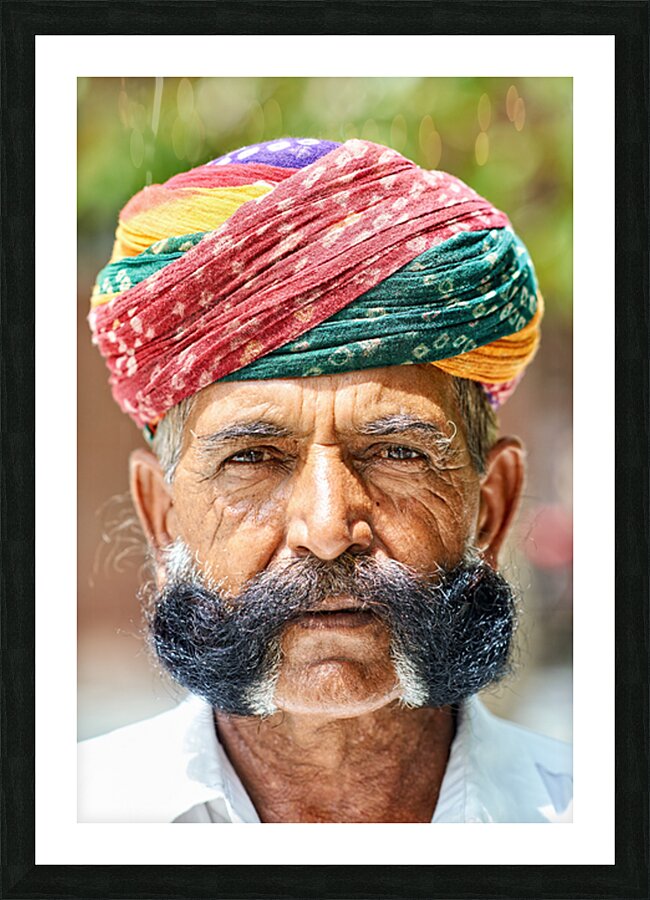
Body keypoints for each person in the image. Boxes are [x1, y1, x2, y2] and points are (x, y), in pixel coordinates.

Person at [78, 137, 572, 823]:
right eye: (252, 458)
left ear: (491, 507)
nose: (329, 529)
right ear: (162, 518)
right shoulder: (74, 819)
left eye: (397, 453)